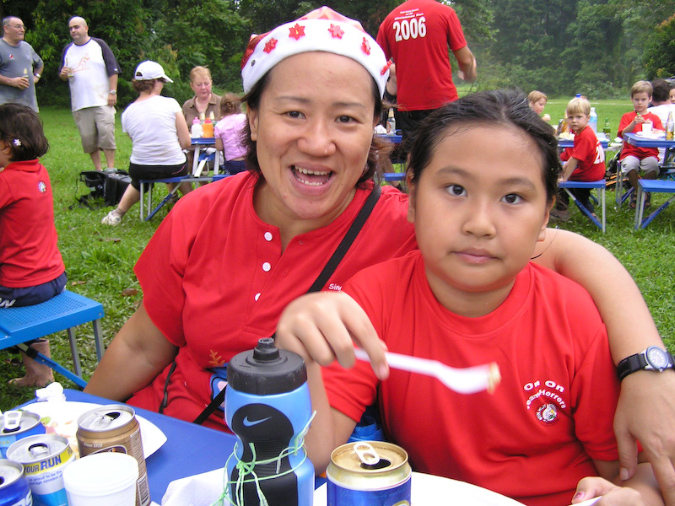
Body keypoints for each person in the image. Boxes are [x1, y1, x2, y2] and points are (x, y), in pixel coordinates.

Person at [83, 8, 675, 503]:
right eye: (293, 112)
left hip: (284, 468)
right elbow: (141, 344)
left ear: (374, 130)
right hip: (163, 437)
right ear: (253, 119)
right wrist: (83, 420)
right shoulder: (200, 211)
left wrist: (648, 370)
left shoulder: (411, 227)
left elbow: (562, 255)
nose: (318, 141)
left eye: (346, 118)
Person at [276, 90, 663, 506]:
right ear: (412, 194)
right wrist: (300, 357)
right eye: (456, 189)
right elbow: (316, 454)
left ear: (545, 215)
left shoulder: (574, 317)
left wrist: (637, 496)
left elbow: (634, 469)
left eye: (512, 198)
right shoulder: (373, 301)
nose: (480, 224)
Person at [0, 104, 67, 387]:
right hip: (54, 278)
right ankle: (39, 374)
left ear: (5, 146)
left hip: (22, 288)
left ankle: (37, 371)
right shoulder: (39, 173)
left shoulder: (6, 181)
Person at [376, 0, 477, 149]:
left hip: (408, 105)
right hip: (442, 101)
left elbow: (376, 62)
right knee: (446, 150)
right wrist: (469, 73)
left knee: (414, 153)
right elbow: (466, 60)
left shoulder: (390, 20)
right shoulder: (445, 13)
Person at [101, 61, 191, 226]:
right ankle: (194, 208)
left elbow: (136, 140)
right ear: (155, 82)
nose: (162, 86)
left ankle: (118, 213)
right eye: (162, 82)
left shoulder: (127, 112)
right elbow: (186, 142)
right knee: (181, 168)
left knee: (140, 179)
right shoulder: (171, 104)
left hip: (140, 168)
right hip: (172, 166)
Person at [59, 16, 119, 172]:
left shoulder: (99, 45)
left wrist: (112, 92)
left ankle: (110, 169)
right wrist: (63, 74)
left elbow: (113, 70)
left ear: (86, 28)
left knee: (106, 135)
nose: (73, 30)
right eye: (71, 28)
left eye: (76, 27)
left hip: (102, 100)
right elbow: (62, 75)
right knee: (88, 139)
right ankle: (98, 170)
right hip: (80, 103)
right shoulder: (68, 50)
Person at [553, 96, 606, 220]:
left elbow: (575, 159)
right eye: (570, 117)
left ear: (588, 118)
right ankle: (588, 213)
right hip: (594, 171)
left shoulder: (585, 135)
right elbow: (573, 157)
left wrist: (564, 177)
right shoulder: (583, 132)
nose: (574, 121)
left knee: (559, 183)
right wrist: (564, 169)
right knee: (572, 186)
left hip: (589, 174)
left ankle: (563, 211)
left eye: (578, 117)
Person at [618, 80, 664, 209]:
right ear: (632, 99)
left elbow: (661, 134)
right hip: (631, 152)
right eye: (636, 99)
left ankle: (638, 191)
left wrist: (654, 129)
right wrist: (633, 123)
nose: (639, 103)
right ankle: (641, 192)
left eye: (643, 100)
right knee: (630, 165)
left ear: (650, 99)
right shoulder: (627, 117)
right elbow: (623, 134)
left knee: (653, 166)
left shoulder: (654, 118)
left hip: (649, 152)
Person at [0, 17, 43, 112]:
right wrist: (11, 81)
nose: (22, 30)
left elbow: (40, 64)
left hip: (30, 107)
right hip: (6, 108)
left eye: (23, 27)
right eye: (18, 27)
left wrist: (36, 77)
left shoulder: (26, 47)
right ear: (6, 28)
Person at [214, 93, 247, 175]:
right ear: (238, 106)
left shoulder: (219, 125)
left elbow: (219, 147)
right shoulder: (244, 118)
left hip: (232, 162)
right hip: (248, 159)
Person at [648, 79, 675, 163]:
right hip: (672, 161)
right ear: (669, 94)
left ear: (650, 98)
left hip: (652, 159)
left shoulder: (647, 113)